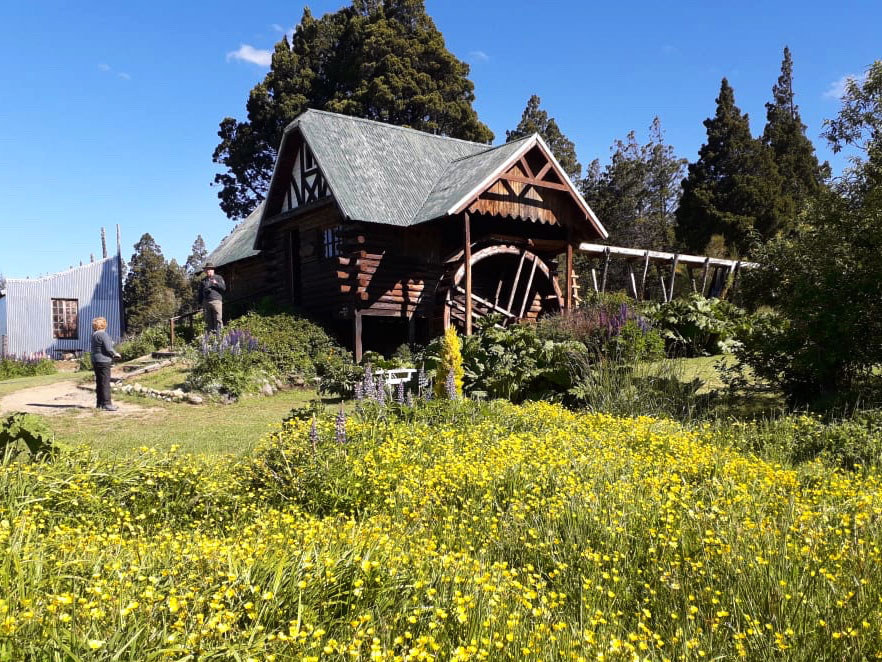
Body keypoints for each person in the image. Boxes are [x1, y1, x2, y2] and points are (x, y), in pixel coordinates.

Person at [90, 317, 121, 411]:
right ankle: (107, 403)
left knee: (99, 382)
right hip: (104, 361)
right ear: (104, 325)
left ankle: (99, 403)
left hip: (95, 360)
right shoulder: (103, 334)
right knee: (105, 382)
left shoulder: (94, 335)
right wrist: (116, 354)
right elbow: (108, 348)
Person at [198, 262, 226, 333]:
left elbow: (223, 288)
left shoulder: (218, 278)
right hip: (206, 302)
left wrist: (216, 283)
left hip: (216, 301)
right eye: (207, 270)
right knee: (208, 321)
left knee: (218, 319)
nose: (208, 271)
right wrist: (199, 304)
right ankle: (210, 338)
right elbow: (200, 293)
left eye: (209, 269)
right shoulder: (203, 281)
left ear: (213, 270)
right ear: (205, 271)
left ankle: (220, 336)